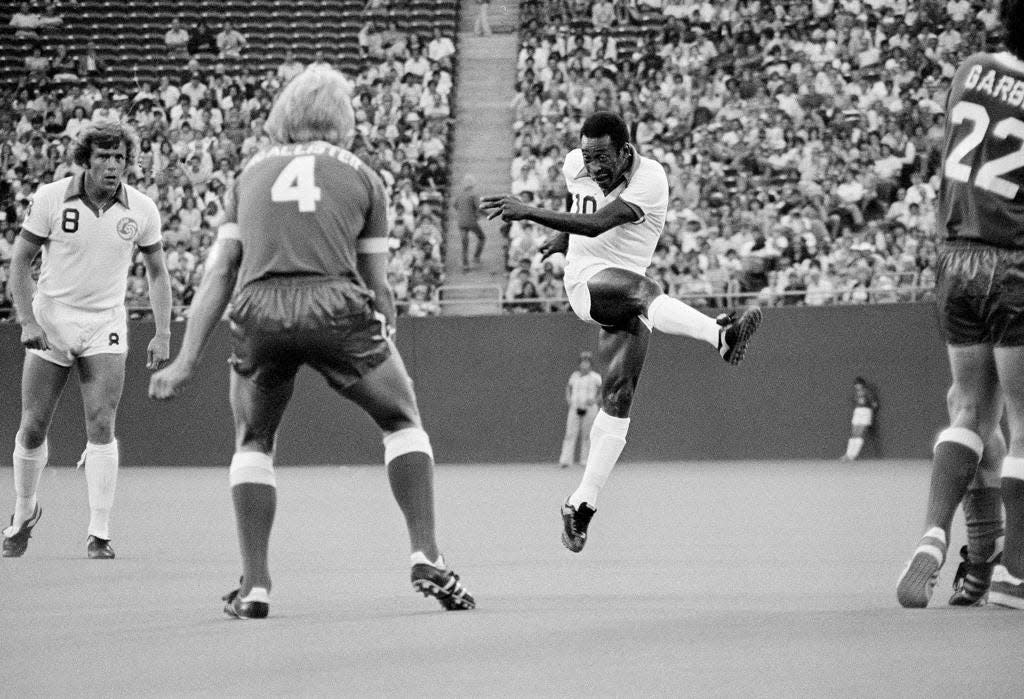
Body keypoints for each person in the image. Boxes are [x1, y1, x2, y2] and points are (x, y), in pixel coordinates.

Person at [148, 66, 474, 618]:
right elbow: (378, 283)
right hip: (336, 306)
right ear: (343, 117)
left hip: (260, 309)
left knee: (253, 439)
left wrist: (184, 360)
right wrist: (385, 332)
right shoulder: (365, 177)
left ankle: (255, 584)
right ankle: (426, 552)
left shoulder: (247, 175)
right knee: (402, 420)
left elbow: (220, 274)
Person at [482, 112, 762, 553]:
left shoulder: (650, 178)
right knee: (647, 290)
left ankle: (581, 506)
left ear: (626, 151)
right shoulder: (574, 163)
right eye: (589, 156)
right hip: (590, 286)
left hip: (628, 294)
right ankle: (720, 336)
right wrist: (564, 241)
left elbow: (596, 223)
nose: (594, 166)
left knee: (619, 398)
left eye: (603, 157)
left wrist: (530, 212)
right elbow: (582, 212)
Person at [896, 0, 1024, 610]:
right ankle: (1013, 576)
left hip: (954, 257)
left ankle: (946, 540)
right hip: (1012, 262)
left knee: (967, 408)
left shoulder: (971, 67)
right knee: (1021, 422)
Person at [1, 120, 172, 560]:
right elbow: (20, 263)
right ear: (85, 159)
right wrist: (27, 320)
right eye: (104, 157)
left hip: (105, 322)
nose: (114, 166)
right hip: (53, 318)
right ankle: (23, 512)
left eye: (120, 158)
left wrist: (163, 330)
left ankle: (99, 531)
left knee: (101, 422)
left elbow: (157, 272)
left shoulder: (142, 209)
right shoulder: (51, 198)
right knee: (34, 424)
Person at [559, 351, 602, 469]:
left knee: (588, 435)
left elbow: (602, 390)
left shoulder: (595, 377)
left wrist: (595, 400)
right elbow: (568, 387)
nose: (585, 364)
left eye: (587, 362)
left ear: (591, 364)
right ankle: (565, 460)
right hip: (575, 407)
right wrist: (569, 399)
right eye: (583, 362)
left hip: (589, 408)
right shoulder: (574, 376)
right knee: (570, 433)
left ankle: (586, 460)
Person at [840, 377, 879, 461]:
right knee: (853, 434)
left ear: (862, 384)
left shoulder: (868, 392)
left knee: (859, 434)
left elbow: (874, 404)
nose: (857, 386)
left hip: (865, 412)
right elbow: (855, 401)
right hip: (857, 412)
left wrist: (869, 406)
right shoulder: (855, 393)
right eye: (856, 384)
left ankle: (853, 455)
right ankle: (847, 454)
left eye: (858, 384)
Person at [453, 175, 485, 271]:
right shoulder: (474, 194)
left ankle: (465, 264)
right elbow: (479, 207)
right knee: (482, 237)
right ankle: (476, 257)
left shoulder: (460, 194)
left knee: (464, 243)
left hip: (461, 222)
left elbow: (455, 205)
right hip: (471, 221)